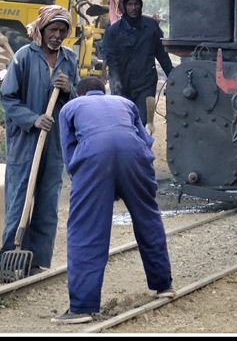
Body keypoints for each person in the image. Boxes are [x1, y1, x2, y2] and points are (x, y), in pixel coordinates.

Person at [53, 76, 173, 325]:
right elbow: (146, 141)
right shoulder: (124, 102)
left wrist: (90, 186)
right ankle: (164, 285)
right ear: (102, 91)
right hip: (133, 151)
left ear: (80, 94)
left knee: (86, 229)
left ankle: (82, 307)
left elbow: (69, 153)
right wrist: (137, 185)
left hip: (94, 154)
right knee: (148, 217)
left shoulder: (70, 107)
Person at [0, 5, 77, 279]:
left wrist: (69, 91)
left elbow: (75, 107)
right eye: (53, 30)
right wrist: (33, 119)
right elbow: (8, 98)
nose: (57, 36)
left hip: (54, 145)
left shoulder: (69, 61)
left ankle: (38, 260)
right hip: (25, 142)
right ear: (41, 30)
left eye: (62, 31)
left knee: (47, 201)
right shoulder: (23, 57)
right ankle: (9, 258)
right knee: (19, 199)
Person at [101, 0, 174, 128]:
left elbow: (161, 54)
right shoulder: (114, 30)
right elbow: (111, 57)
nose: (133, 8)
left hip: (145, 83)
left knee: (142, 122)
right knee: (123, 122)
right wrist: (115, 79)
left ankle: (141, 148)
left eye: (136, 4)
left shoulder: (151, 27)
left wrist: (172, 74)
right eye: (129, 4)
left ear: (141, 5)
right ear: (124, 6)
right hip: (122, 84)